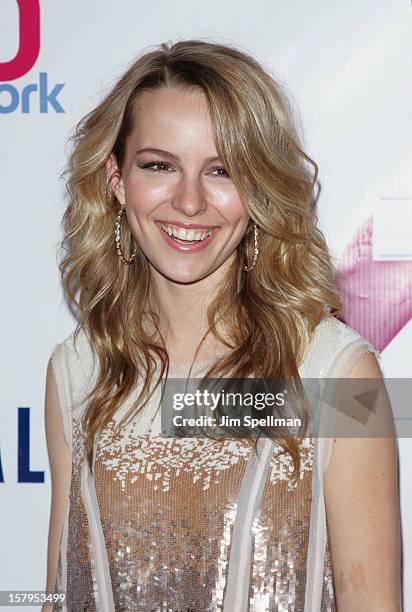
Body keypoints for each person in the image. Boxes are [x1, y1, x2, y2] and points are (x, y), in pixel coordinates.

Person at [43, 39, 402, 611]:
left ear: (259, 189)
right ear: (115, 178)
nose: (189, 201)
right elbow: (62, 596)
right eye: (158, 165)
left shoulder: (335, 373)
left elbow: (371, 600)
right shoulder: (79, 369)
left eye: (222, 170)